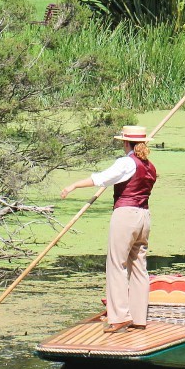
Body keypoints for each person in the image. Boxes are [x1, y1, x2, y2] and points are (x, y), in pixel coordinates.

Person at [61, 125, 158, 333]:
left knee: (117, 264)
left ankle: (120, 316)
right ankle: (139, 317)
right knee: (139, 266)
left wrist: (74, 185)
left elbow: (101, 179)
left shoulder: (126, 162)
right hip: (144, 216)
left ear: (125, 143)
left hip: (126, 215)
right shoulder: (149, 165)